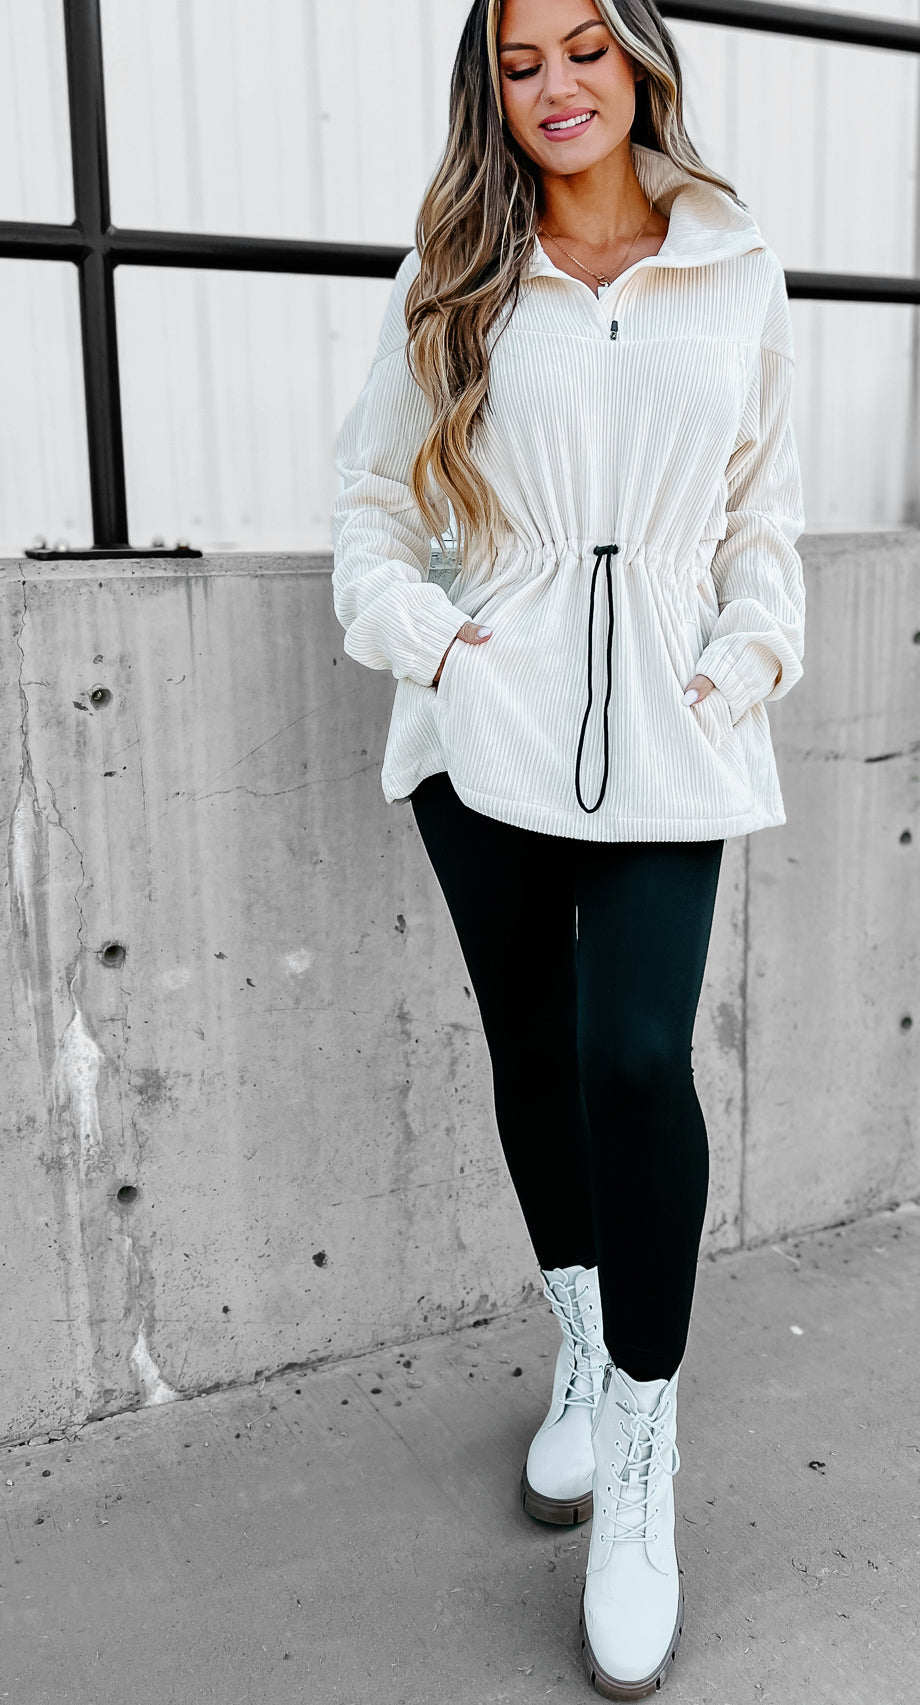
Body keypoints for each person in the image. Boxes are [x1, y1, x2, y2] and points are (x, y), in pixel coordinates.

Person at [331, 0, 805, 1696]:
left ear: (640, 60)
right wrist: (438, 645)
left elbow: (761, 512)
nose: (555, 87)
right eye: (520, 61)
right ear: (490, 85)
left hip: (674, 729)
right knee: (533, 1052)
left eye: (584, 49)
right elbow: (371, 507)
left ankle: (645, 1460)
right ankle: (589, 1362)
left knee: (632, 1060)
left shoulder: (734, 265)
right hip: (485, 730)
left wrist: (744, 658)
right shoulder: (453, 269)